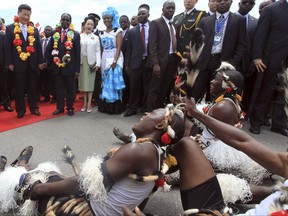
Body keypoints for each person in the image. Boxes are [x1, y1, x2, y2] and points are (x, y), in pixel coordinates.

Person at [15, 104, 186, 215]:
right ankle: (23, 167)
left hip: (86, 211)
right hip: (98, 207)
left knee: (38, 180)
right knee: (53, 178)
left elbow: (84, 184)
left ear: (159, 125)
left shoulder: (139, 150)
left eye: (152, 112)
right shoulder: (158, 155)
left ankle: (19, 168)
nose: (145, 114)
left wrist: (39, 190)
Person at [191, 0, 247, 102]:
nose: (222, 3)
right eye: (218, 0)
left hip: (224, 63)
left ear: (231, 2)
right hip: (205, 62)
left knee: (217, 95)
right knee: (195, 92)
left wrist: (232, 63)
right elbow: (196, 42)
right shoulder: (205, 20)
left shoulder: (239, 20)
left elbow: (242, 44)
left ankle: (212, 115)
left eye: (225, 0)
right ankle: (191, 115)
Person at [249, 0, 288, 136]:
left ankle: (279, 124)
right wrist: (257, 57)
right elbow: (260, 34)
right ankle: (256, 122)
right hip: (270, 58)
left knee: (283, 94)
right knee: (265, 91)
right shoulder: (271, 10)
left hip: (286, 62)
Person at [5, 4, 43, 118]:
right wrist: (9, 62)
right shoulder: (10, 28)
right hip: (18, 64)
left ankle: (34, 108)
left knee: (33, 88)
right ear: (19, 14)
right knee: (19, 88)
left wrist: (40, 62)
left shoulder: (34, 30)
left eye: (28, 15)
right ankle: (20, 110)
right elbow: (7, 47)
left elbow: (38, 47)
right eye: (24, 14)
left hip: (32, 64)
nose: (26, 17)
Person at [45, 13, 81, 116]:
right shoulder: (54, 33)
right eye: (63, 20)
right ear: (60, 20)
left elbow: (77, 53)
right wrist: (47, 62)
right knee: (59, 89)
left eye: (67, 20)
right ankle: (59, 108)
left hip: (70, 67)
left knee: (70, 90)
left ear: (70, 22)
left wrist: (77, 70)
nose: (65, 22)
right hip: (57, 67)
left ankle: (70, 108)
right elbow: (49, 49)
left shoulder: (75, 34)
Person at [146, 0, 178, 112]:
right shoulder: (155, 23)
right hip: (159, 62)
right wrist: (155, 64)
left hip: (171, 61)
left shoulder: (174, 25)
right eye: (168, 8)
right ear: (162, 9)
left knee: (164, 89)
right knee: (155, 89)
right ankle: (150, 114)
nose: (171, 10)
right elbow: (152, 45)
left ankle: (159, 113)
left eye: (173, 8)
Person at [124, 5, 152, 117]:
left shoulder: (153, 27)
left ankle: (145, 108)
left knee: (147, 87)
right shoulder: (132, 31)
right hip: (135, 62)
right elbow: (128, 50)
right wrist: (127, 65)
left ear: (148, 15)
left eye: (143, 13)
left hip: (149, 62)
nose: (140, 15)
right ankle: (133, 108)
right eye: (139, 14)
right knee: (134, 86)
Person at [98, 7, 125, 114]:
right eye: (104, 19)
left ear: (112, 18)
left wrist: (114, 61)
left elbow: (119, 47)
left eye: (108, 18)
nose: (106, 20)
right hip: (105, 57)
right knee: (105, 81)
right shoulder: (101, 33)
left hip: (115, 57)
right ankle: (106, 105)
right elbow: (101, 49)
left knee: (113, 82)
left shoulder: (118, 31)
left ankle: (115, 107)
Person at [236, 0, 258, 116]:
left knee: (244, 89)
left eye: (251, 3)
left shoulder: (256, 22)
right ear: (239, 4)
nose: (247, 5)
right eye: (245, 2)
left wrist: (252, 63)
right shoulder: (231, 18)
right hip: (231, 60)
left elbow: (256, 44)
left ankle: (240, 113)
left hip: (247, 62)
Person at [79, 16, 101, 113]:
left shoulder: (96, 38)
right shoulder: (79, 36)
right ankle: (84, 103)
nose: (89, 26)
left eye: (91, 24)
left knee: (90, 84)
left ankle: (89, 104)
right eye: (88, 24)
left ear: (93, 27)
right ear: (84, 25)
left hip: (91, 62)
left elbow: (98, 51)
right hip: (82, 62)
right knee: (84, 84)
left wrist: (98, 64)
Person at [39, 25, 56, 104]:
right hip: (42, 66)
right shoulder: (41, 40)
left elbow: (53, 53)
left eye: (49, 30)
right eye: (46, 30)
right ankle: (46, 97)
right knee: (45, 82)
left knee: (52, 82)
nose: (47, 31)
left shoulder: (54, 41)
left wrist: (47, 63)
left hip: (51, 65)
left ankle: (54, 97)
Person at [0, 18, 13, 112]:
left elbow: (6, 51)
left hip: (1, 66)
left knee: (3, 86)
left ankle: (7, 104)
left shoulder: (3, 35)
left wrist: (6, 64)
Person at [119, 15, 131, 111]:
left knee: (127, 83)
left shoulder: (130, 33)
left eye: (125, 22)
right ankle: (121, 102)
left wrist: (127, 64)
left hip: (127, 63)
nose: (123, 24)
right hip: (119, 62)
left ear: (128, 22)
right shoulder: (118, 33)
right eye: (121, 22)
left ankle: (126, 102)